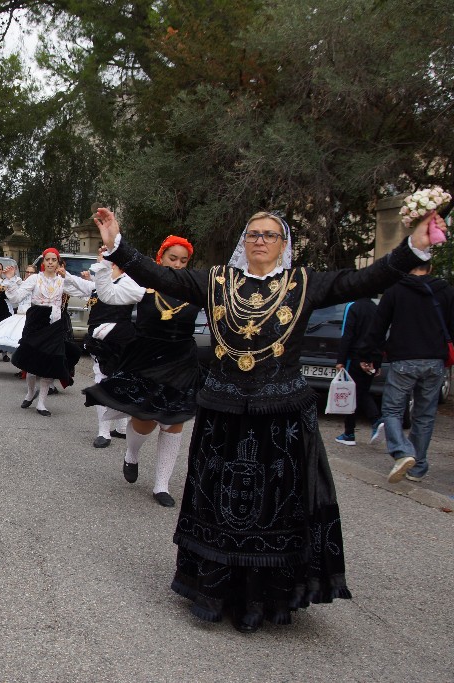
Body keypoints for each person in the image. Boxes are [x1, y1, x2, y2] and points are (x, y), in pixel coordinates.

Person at [93, 206, 436, 632]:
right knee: (220, 502)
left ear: (283, 243)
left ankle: (264, 598)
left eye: (270, 235)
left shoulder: (304, 282)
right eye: (253, 233)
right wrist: (117, 244)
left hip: (281, 416)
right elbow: (162, 277)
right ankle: (214, 590)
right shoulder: (218, 282)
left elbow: (365, 278)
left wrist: (414, 247)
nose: (260, 240)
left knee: (272, 505)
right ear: (244, 241)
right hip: (223, 409)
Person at [85, 236, 201, 507]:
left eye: (184, 260)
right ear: (160, 258)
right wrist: (103, 267)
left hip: (182, 360)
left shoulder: (195, 288)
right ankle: (132, 454)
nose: (178, 265)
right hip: (148, 359)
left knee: (174, 422)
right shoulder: (142, 284)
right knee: (145, 421)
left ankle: (162, 485)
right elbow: (108, 295)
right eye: (173, 258)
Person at [363, 261, 454, 482]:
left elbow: (378, 326)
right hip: (434, 360)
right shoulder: (445, 291)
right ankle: (418, 467)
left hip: (404, 359)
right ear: (431, 267)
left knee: (392, 410)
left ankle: (403, 452)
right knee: (424, 415)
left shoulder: (395, 290)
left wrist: (369, 356)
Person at [1, 248, 92, 416]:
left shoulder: (62, 281)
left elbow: (86, 292)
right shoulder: (35, 278)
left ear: (58, 263)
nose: (50, 262)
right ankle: (30, 392)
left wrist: (81, 278)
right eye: (47, 259)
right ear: (43, 262)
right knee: (32, 364)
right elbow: (15, 298)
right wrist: (10, 280)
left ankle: (42, 403)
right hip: (36, 322)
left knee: (49, 362)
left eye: (53, 260)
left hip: (54, 324)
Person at [82, 254, 145, 447]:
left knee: (121, 378)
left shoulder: (129, 283)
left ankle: (120, 426)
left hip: (121, 338)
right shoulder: (100, 282)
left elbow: (144, 297)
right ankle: (104, 432)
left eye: (106, 262)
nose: (102, 265)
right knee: (101, 377)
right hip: (100, 339)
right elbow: (85, 287)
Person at [333, 297, 382, 446]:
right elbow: (379, 335)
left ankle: (373, 421)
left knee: (352, 393)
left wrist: (340, 360)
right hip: (371, 357)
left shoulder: (352, 307)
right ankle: (350, 432)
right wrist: (377, 363)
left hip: (354, 357)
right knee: (360, 392)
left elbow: (347, 335)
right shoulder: (376, 308)